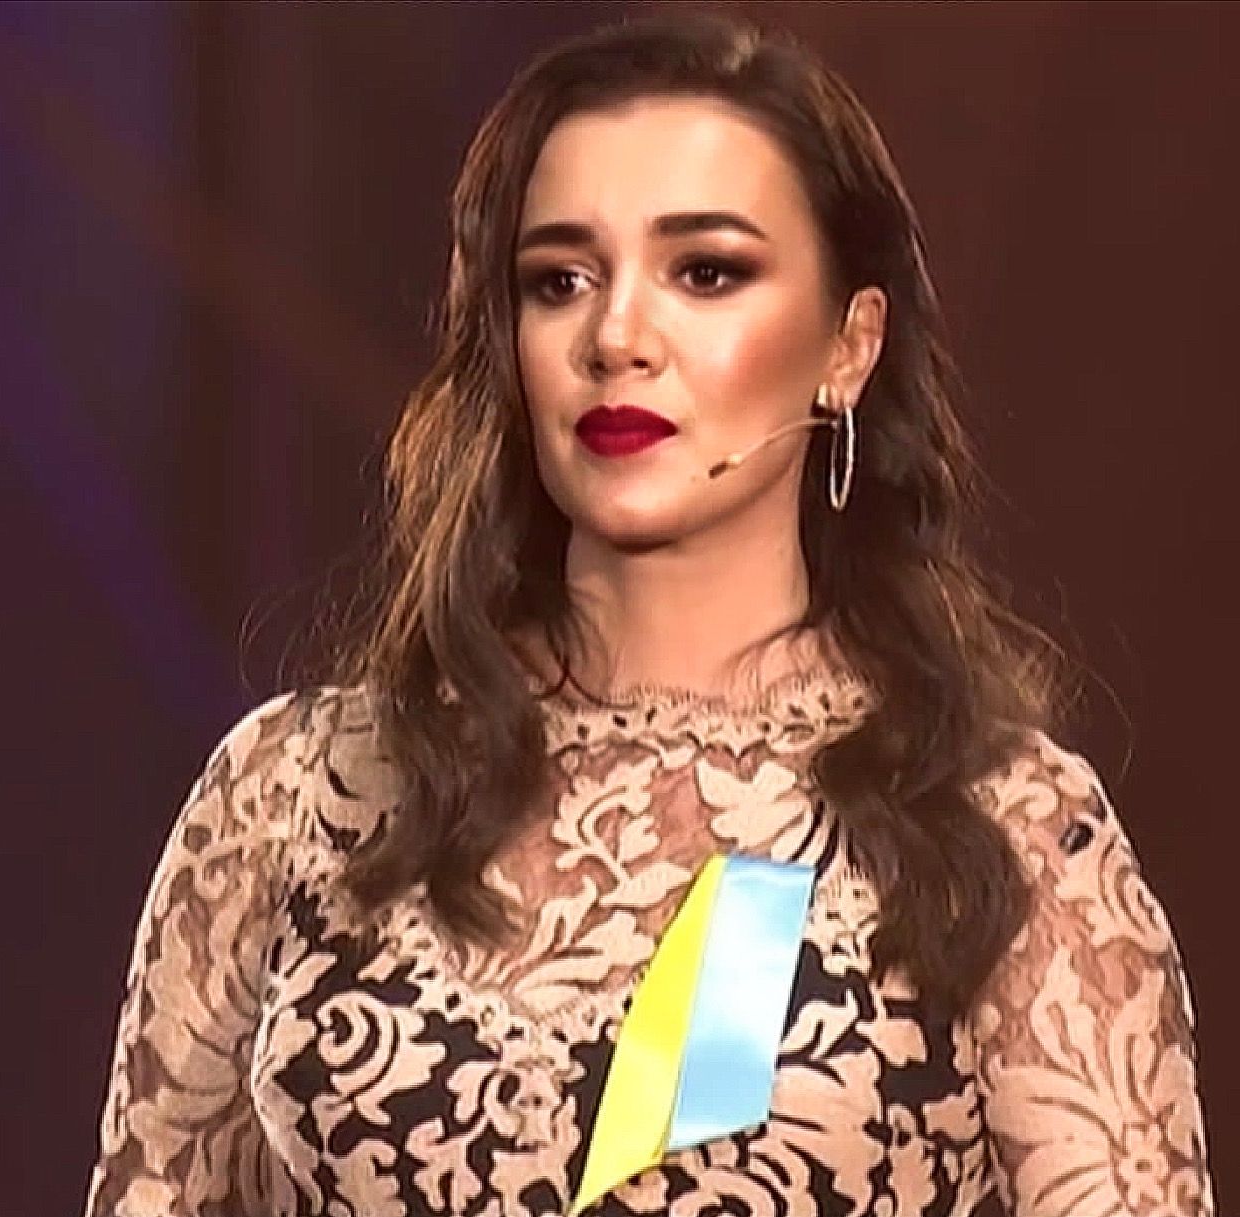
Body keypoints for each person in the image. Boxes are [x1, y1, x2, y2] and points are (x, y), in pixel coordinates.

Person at [84, 11, 1213, 1217]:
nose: (617, 336)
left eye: (706, 272)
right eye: (560, 280)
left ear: (849, 344)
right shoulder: (291, 792)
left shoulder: (994, 828)